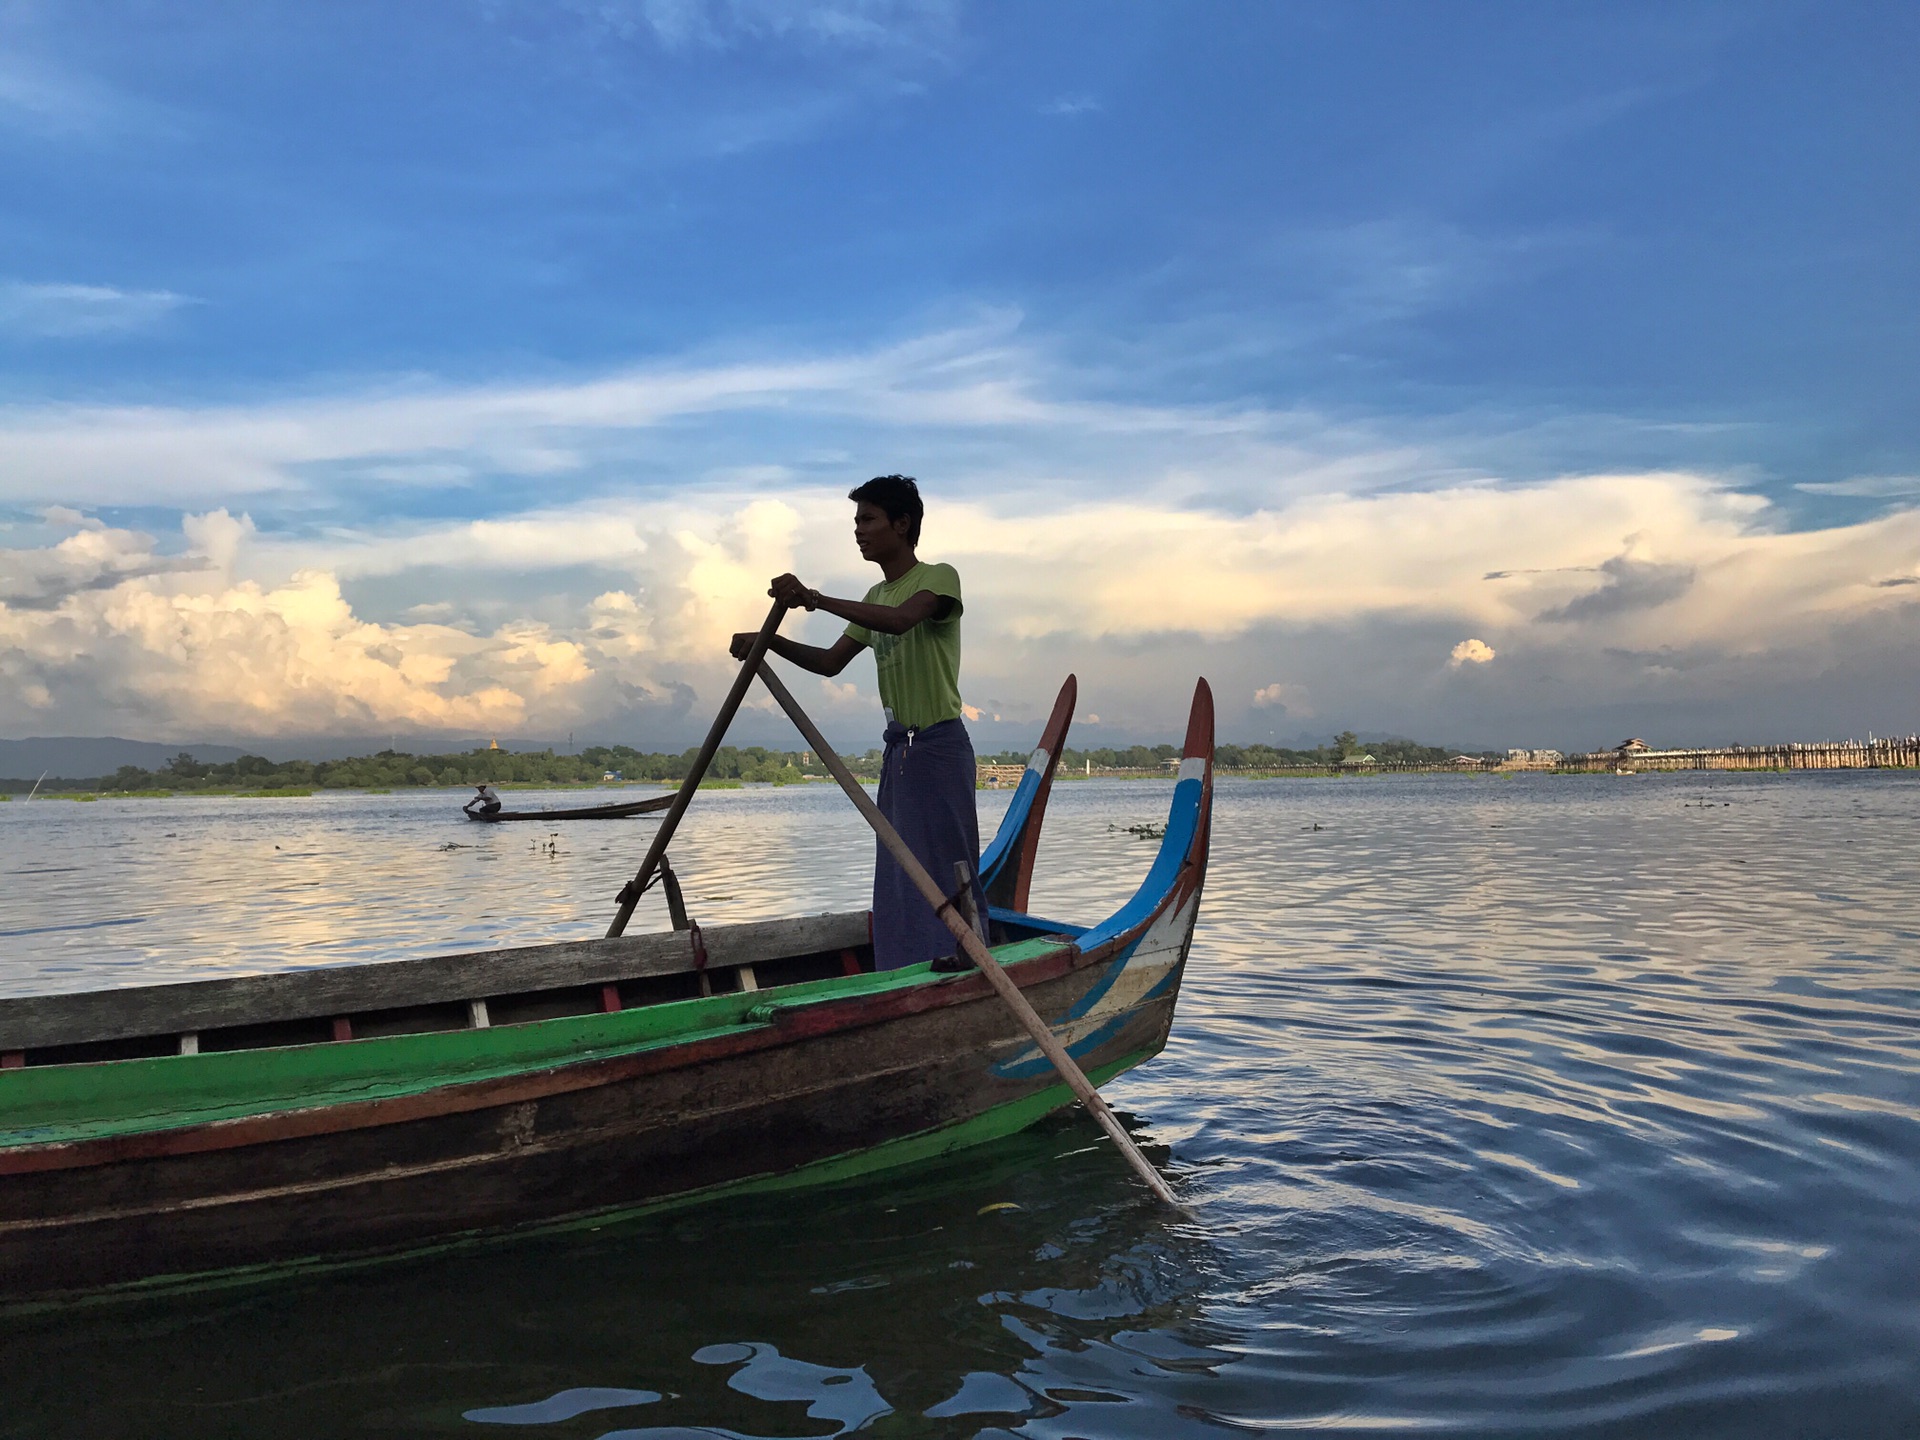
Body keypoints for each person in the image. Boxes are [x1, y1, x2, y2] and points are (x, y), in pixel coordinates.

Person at [730, 474, 983, 971]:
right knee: (899, 867)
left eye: (868, 520)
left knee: (948, 862)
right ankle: (908, 964)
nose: (858, 531)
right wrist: (767, 641)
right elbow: (829, 662)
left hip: (939, 745)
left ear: (902, 524)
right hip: (901, 753)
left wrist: (815, 598)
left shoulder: (938, 577)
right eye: (856, 522)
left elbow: (901, 621)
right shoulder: (875, 593)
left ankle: (967, 956)